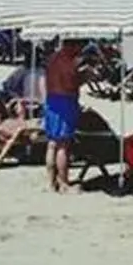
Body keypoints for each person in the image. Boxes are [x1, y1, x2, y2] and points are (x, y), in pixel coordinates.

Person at [43, 38, 83, 192]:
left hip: (51, 101)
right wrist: (83, 77)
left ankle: (51, 182)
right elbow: (70, 85)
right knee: (63, 145)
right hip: (65, 101)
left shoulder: (52, 58)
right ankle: (64, 182)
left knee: (52, 143)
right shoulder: (68, 63)